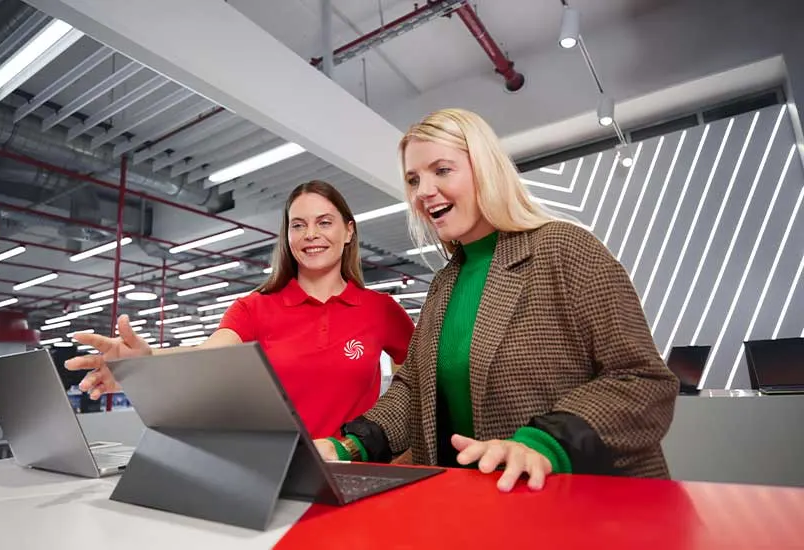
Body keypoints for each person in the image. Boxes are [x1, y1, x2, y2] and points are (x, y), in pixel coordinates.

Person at [315, 108, 679, 492]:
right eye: (413, 179)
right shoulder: (444, 284)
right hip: (480, 508)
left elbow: (642, 381)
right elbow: (412, 392)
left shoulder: (564, 248)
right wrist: (349, 445)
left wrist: (544, 444)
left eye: (441, 170)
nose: (422, 191)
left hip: (584, 503)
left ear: (485, 169)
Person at [66, 180, 415, 439]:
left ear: (348, 231)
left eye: (324, 222)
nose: (311, 234)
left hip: (357, 471)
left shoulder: (380, 310)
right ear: (287, 235)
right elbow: (208, 358)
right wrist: (142, 366)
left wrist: (398, 451)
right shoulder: (254, 307)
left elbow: (415, 386)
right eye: (298, 224)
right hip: (280, 474)